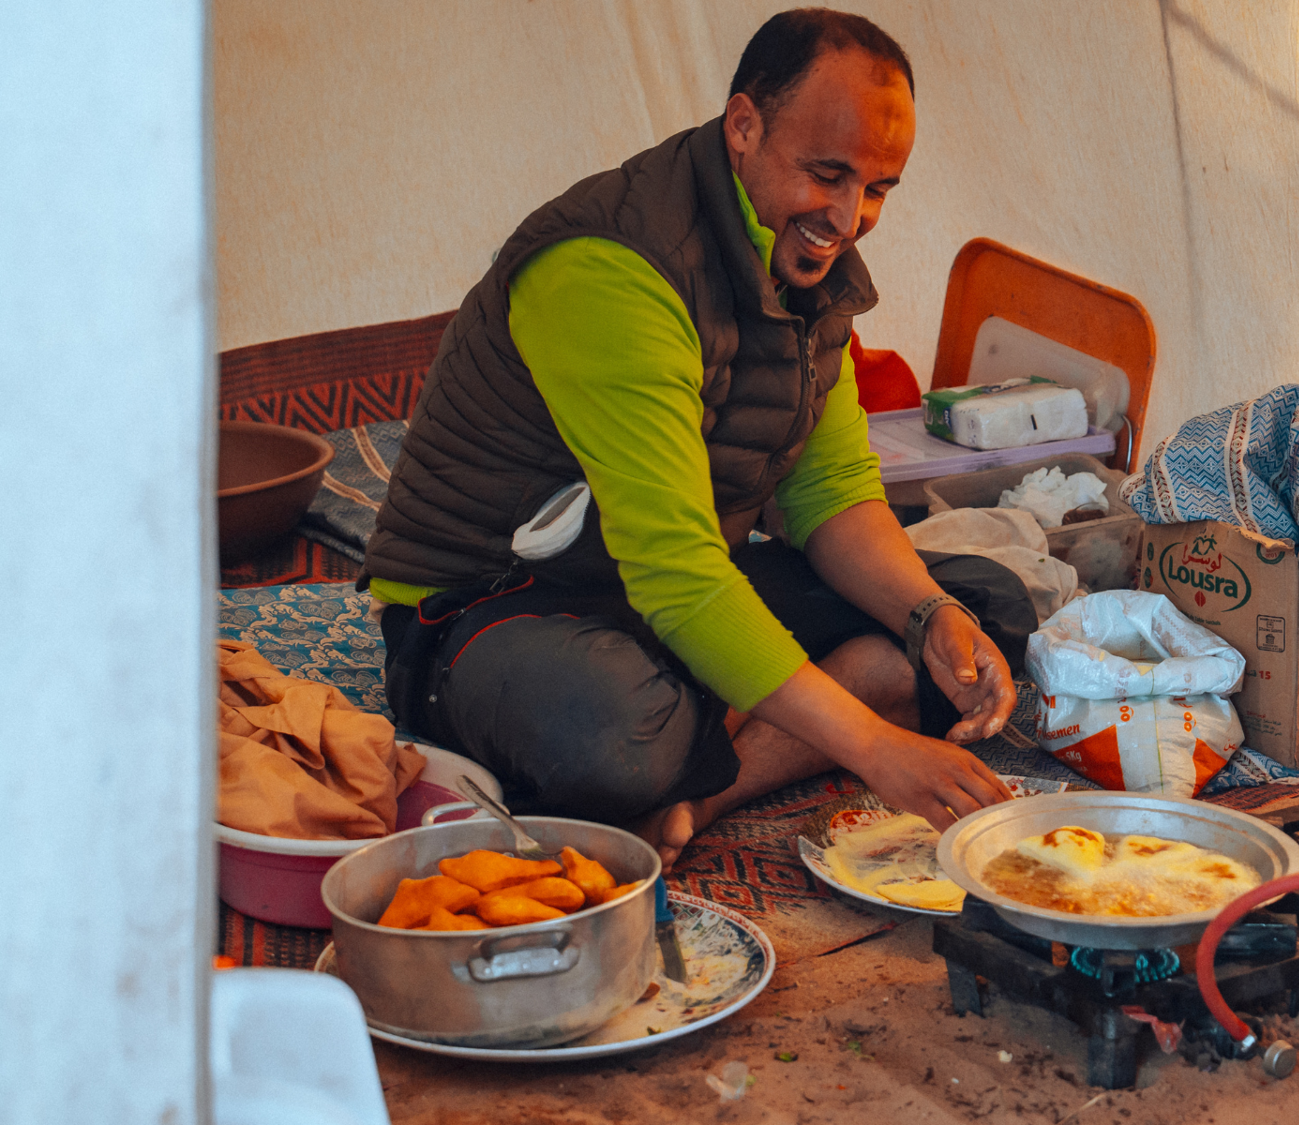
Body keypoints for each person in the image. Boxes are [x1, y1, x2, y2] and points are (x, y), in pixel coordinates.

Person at [361, 9, 1030, 865]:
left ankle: (700, 793)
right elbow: (675, 571)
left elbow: (832, 497)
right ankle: (778, 715)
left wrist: (930, 614)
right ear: (744, 125)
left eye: (879, 189)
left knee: (984, 618)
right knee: (618, 738)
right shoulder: (610, 266)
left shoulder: (804, 265)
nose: (850, 216)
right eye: (827, 174)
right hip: (498, 610)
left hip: (665, 594)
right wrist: (872, 745)